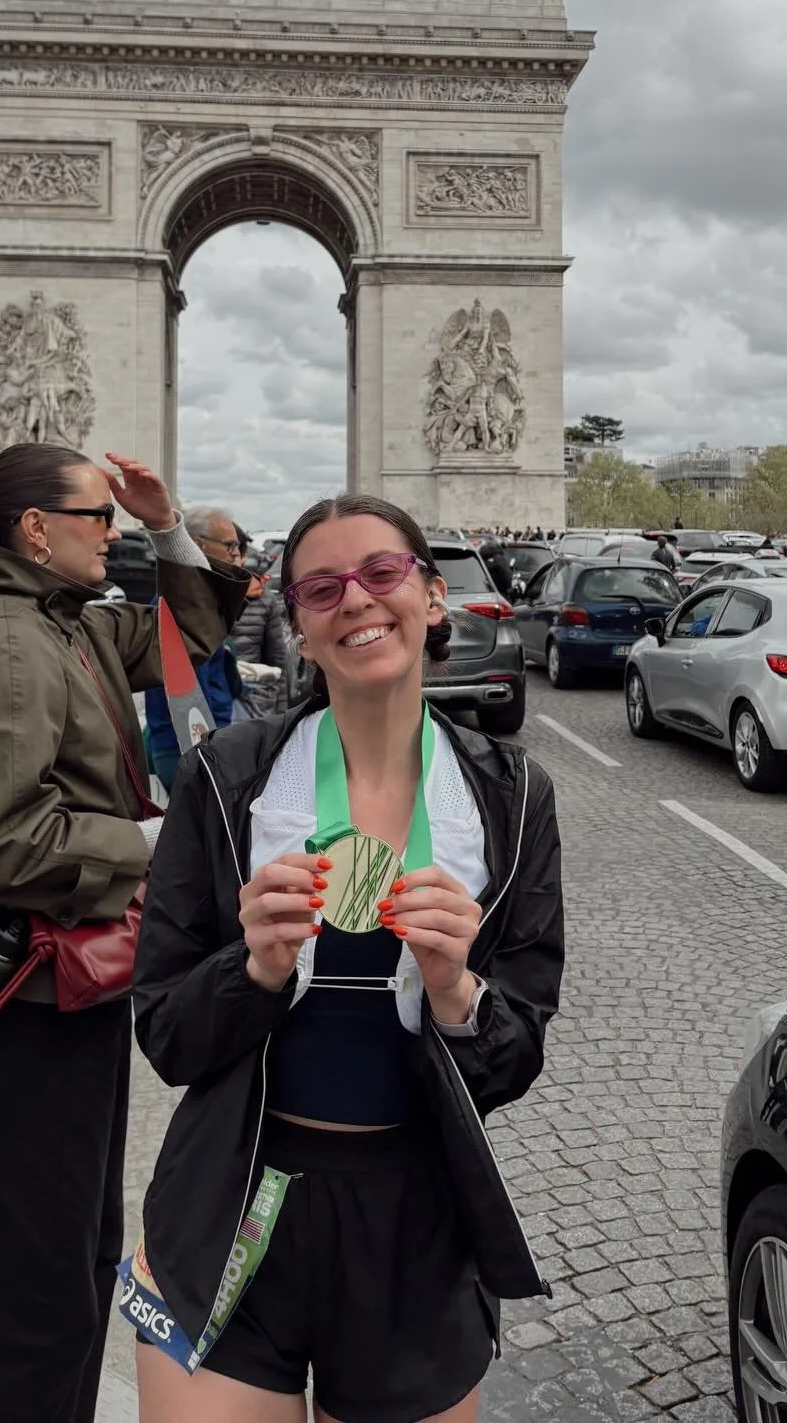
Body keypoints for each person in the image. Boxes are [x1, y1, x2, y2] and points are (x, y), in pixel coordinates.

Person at [132, 492, 564, 1423]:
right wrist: (250, 969)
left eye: (382, 573)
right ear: (299, 626)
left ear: (434, 595)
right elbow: (164, 1034)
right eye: (322, 588)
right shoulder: (228, 776)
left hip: (414, 1226)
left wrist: (456, 990)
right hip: (230, 1204)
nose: (357, 602)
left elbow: (516, 1054)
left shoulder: (513, 796)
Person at [0, 444, 248, 1423]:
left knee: (67, 1261)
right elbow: (4, 842)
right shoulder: (11, 650)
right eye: (95, 515)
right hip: (28, 1002)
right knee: (32, 1284)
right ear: (34, 531)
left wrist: (163, 522)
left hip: (71, 983)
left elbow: (196, 629)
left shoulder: (66, 623)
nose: (109, 530)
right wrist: (158, 831)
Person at [146, 505, 246, 789]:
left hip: (201, 744)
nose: (236, 555)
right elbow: (191, 698)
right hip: (189, 748)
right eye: (230, 545)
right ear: (199, 544)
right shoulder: (180, 611)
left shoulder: (200, 607)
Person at [230, 564, 290, 719]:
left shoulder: (265, 599)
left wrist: (282, 714)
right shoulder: (207, 593)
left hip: (251, 695)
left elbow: (277, 658)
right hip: (218, 696)